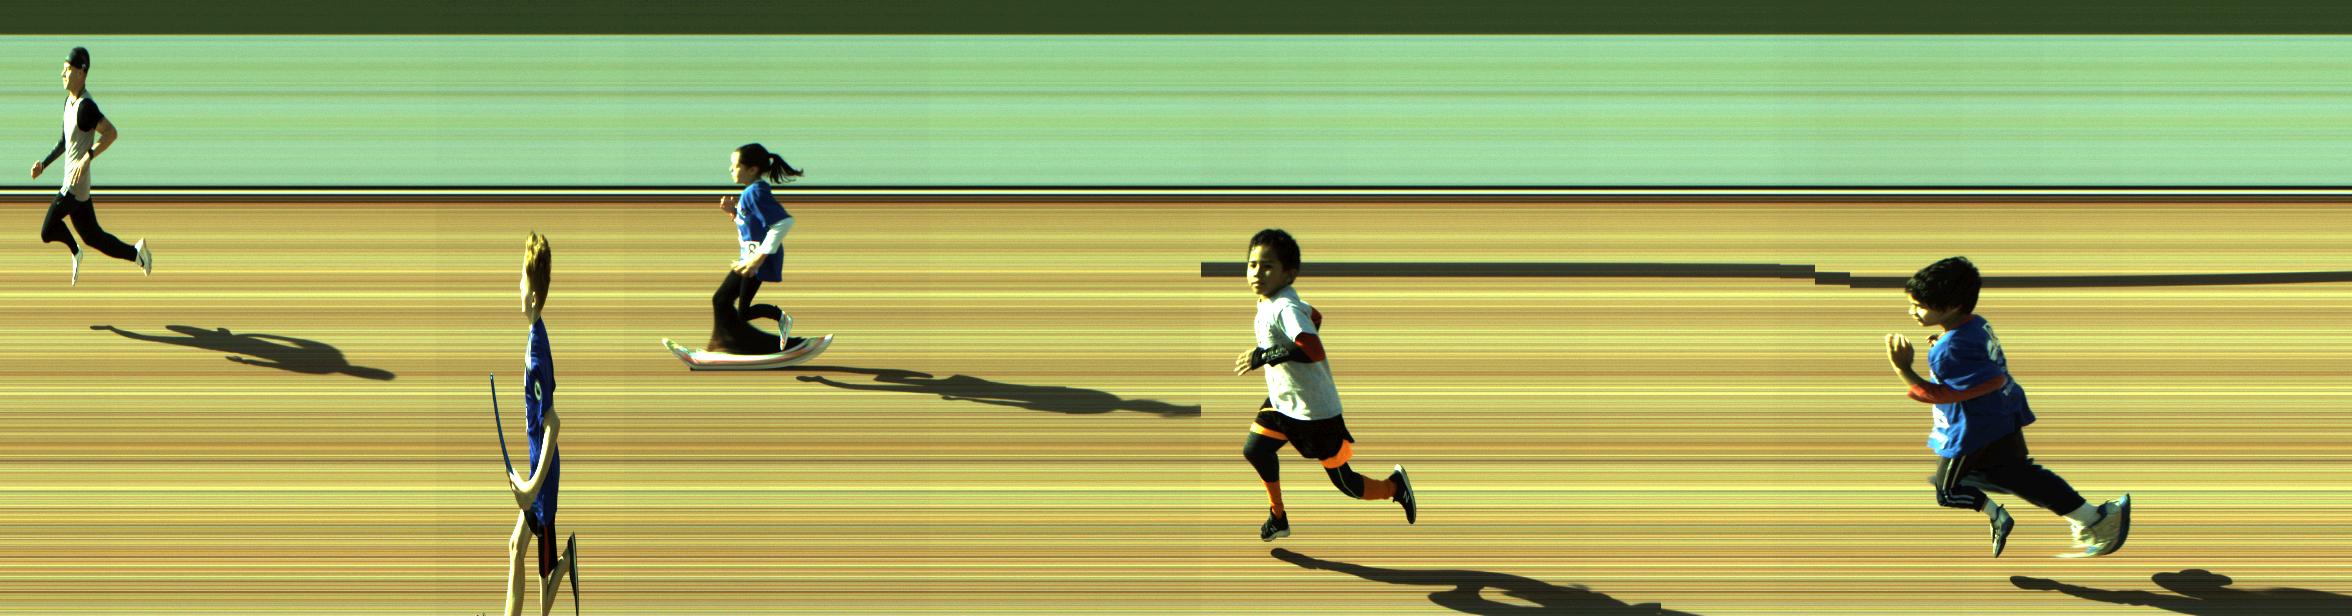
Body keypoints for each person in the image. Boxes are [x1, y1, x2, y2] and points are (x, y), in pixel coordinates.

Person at [1885, 256, 2129, 558]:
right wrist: (1946, 343)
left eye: (1920, 306)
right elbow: (1977, 366)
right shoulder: (1975, 324)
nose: (1912, 312)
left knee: (1947, 491)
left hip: (1973, 431)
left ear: (1952, 306)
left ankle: (2001, 515)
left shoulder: (1952, 348)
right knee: (2018, 476)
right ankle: (2095, 519)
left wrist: (1903, 368)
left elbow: (1943, 394)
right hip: (2001, 414)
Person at [1235, 229, 1416, 542]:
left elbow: (1312, 349)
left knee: (1345, 483)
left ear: (1289, 274)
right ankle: (1278, 517)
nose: (1257, 273)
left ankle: (1394, 486)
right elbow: (1315, 315)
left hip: (1314, 413)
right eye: (1252, 265)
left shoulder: (1284, 308)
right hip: (1283, 401)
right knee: (1256, 450)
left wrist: (1262, 356)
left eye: (1267, 267)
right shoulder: (1274, 301)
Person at [31, 46, 150, 285]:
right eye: (63, 69)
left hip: (74, 186)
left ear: (81, 72)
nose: (62, 74)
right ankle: (138, 255)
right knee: (94, 237)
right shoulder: (69, 102)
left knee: (47, 230)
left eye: (67, 69)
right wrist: (43, 164)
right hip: (77, 186)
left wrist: (87, 158)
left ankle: (75, 251)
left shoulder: (86, 107)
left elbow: (111, 133)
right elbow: (64, 142)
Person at [505, 232, 576, 615]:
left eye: (520, 279)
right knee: (516, 548)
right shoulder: (538, 335)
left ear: (532, 297)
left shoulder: (535, 351)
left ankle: (567, 563)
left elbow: (553, 421)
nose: (516, 287)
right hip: (539, 470)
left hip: (544, 479)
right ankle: (563, 563)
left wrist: (531, 487)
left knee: (542, 585)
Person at [708, 143, 803, 355]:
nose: (731, 169)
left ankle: (738, 342)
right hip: (749, 259)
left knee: (727, 303)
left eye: (736, 165)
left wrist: (756, 260)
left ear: (752, 169)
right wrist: (733, 212)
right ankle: (729, 343)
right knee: (723, 301)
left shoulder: (756, 193)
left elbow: (783, 223)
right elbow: (751, 224)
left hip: (756, 261)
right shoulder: (749, 193)